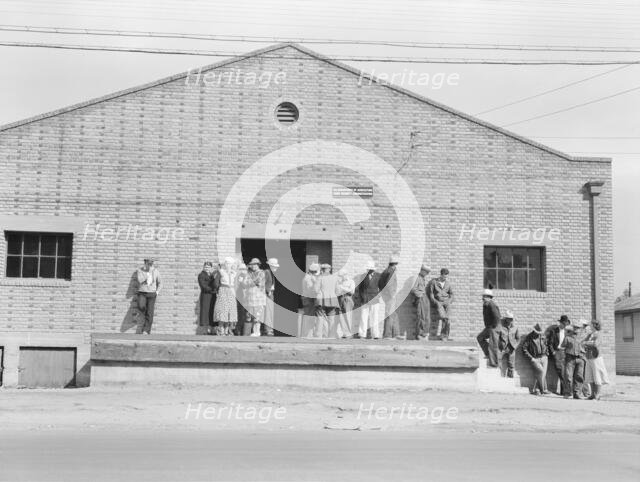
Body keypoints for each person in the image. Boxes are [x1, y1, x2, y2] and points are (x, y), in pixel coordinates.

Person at [584, 319, 610, 400]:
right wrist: (586, 342)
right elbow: (583, 341)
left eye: (591, 324)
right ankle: (592, 394)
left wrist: (587, 343)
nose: (589, 326)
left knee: (597, 375)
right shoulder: (590, 334)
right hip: (588, 356)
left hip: (596, 357)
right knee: (590, 375)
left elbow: (595, 344)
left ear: (594, 325)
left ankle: (598, 394)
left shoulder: (598, 334)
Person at [356, 260, 382, 339]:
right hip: (365, 299)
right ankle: (362, 334)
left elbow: (382, 287)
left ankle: (375, 335)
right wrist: (362, 297)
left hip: (374, 299)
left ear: (374, 269)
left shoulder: (379, 276)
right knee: (363, 317)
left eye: (371, 269)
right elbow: (360, 289)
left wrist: (379, 295)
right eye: (368, 269)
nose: (369, 270)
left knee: (375, 317)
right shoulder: (363, 276)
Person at [476, 289, 502, 367]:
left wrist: (493, 326)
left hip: (494, 327)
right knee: (480, 337)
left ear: (489, 297)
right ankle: (488, 354)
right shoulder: (486, 304)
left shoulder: (492, 304)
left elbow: (497, 317)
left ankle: (494, 364)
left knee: (493, 344)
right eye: (483, 296)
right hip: (489, 327)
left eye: (484, 297)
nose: (483, 298)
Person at [546, 314, 571, 394]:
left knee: (565, 372)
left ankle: (563, 391)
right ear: (560, 323)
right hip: (557, 352)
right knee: (560, 371)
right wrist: (553, 352)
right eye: (563, 324)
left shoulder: (567, 332)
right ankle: (565, 391)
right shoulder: (554, 331)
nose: (564, 325)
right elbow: (550, 343)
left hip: (565, 352)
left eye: (565, 324)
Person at [314, 263, 341, 338]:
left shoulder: (320, 278)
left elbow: (316, 290)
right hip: (332, 300)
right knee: (332, 319)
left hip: (322, 300)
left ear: (322, 270)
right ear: (329, 270)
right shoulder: (335, 278)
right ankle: (331, 336)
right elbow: (338, 291)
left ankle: (318, 335)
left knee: (320, 318)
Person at [561, 321, 587, 399]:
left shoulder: (584, 337)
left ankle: (577, 393)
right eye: (575, 327)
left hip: (580, 358)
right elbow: (562, 347)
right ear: (573, 328)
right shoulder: (568, 337)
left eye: (578, 328)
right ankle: (568, 393)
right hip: (570, 359)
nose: (576, 329)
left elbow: (587, 347)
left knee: (579, 377)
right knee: (568, 376)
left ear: (580, 328)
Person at [135, 257, 161, 334]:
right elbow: (140, 280)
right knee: (141, 306)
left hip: (152, 294)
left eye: (151, 263)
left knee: (150, 313)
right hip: (142, 292)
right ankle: (142, 312)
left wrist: (157, 292)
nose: (150, 265)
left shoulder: (156, 271)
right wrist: (148, 274)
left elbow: (160, 282)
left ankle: (146, 330)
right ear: (145, 263)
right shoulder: (140, 270)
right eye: (148, 263)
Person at [213, 257, 238, 336]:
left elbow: (237, 283)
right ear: (225, 264)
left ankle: (227, 329)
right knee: (222, 310)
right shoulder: (221, 272)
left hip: (231, 291)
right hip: (223, 290)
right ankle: (221, 329)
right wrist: (217, 290)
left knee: (230, 310)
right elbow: (216, 283)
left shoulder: (234, 273)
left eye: (230, 264)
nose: (228, 265)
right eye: (227, 263)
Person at [522, 323, 549, 395]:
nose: (539, 334)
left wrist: (547, 354)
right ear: (534, 331)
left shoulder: (543, 336)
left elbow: (546, 344)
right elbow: (524, 349)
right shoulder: (529, 337)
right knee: (541, 372)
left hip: (544, 357)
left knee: (542, 374)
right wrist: (531, 358)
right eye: (537, 332)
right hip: (535, 358)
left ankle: (537, 390)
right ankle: (542, 390)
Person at [242, 258, 266, 336]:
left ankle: (257, 332)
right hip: (249, 298)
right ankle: (248, 333)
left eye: (255, 265)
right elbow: (244, 284)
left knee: (257, 316)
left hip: (258, 298)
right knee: (248, 316)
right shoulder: (248, 273)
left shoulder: (262, 273)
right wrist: (250, 282)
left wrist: (250, 282)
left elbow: (258, 281)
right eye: (252, 265)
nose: (253, 266)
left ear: (258, 265)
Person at [428, 268, 454, 340]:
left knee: (447, 319)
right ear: (441, 275)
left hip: (447, 302)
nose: (446, 278)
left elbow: (451, 294)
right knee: (443, 317)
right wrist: (436, 302)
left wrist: (449, 301)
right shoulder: (434, 282)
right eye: (445, 276)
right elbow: (431, 294)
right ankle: (444, 336)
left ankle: (444, 336)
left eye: (447, 276)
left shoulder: (448, 283)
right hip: (439, 302)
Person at [379, 255, 400, 339]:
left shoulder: (386, 271)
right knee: (390, 315)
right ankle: (387, 335)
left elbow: (380, 284)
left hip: (387, 296)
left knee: (393, 315)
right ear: (394, 264)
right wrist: (391, 295)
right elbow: (389, 284)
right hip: (390, 297)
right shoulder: (391, 272)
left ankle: (396, 334)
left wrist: (384, 295)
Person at [411, 264, 432, 340]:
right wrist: (419, 295)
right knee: (421, 317)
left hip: (425, 298)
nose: (427, 274)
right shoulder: (417, 278)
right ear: (422, 271)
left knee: (426, 317)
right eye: (426, 272)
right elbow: (413, 289)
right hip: (420, 299)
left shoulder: (422, 278)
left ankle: (424, 334)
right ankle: (420, 334)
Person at [498, 310, 520, 378]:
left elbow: (518, 338)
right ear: (506, 319)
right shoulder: (500, 327)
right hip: (502, 348)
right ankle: (500, 378)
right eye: (509, 319)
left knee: (511, 365)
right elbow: (496, 337)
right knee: (498, 362)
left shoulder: (515, 328)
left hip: (511, 349)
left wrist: (515, 346)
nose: (511, 320)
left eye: (512, 319)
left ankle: (510, 380)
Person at [301, 263, 320, 337]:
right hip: (309, 299)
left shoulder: (307, 277)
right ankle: (308, 334)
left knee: (310, 316)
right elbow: (310, 289)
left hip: (308, 299)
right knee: (309, 317)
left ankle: (309, 334)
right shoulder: (308, 278)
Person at [197, 261, 217, 334]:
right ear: (203, 267)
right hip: (206, 295)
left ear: (211, 268)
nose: (207, 268)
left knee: (211, 312)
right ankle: (205, 331)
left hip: (212, 296)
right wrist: (212, 290)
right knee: (205, 312)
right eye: (205, 267)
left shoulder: (212, 275)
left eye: (208, 267)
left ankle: (211, 330)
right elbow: (203, 286)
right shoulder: (201, 275)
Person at [336, 269, 355, 338]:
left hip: (347, 299)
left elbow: (352, 291)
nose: (340, 277)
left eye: (341, 276)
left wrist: (343, 288)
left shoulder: (351, 281)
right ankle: (345, 333)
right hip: (340, 299)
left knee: (348, 316)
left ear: (345, 275)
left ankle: (350, 333)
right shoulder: (339, 282)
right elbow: (337, 292)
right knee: (341, 317)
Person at [263, 258, 279, 336]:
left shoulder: (271, 273)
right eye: (274, 266)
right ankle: (268, 329)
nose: (275, 268)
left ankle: (269, 329)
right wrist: (268, 290)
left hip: (270, 293)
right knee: (268, 312)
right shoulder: (267, 272)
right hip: (267, 294)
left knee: (270, 311)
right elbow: (263, 282)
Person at [235, 263, 248, 335]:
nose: (242, 271)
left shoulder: (246, 276)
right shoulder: (238, 276)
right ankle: (238, 330)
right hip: (239, 298)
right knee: (240, 315)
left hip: (244, 298)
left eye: (244, 269)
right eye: (241, 269)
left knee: (243, 315)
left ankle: (241, 330)